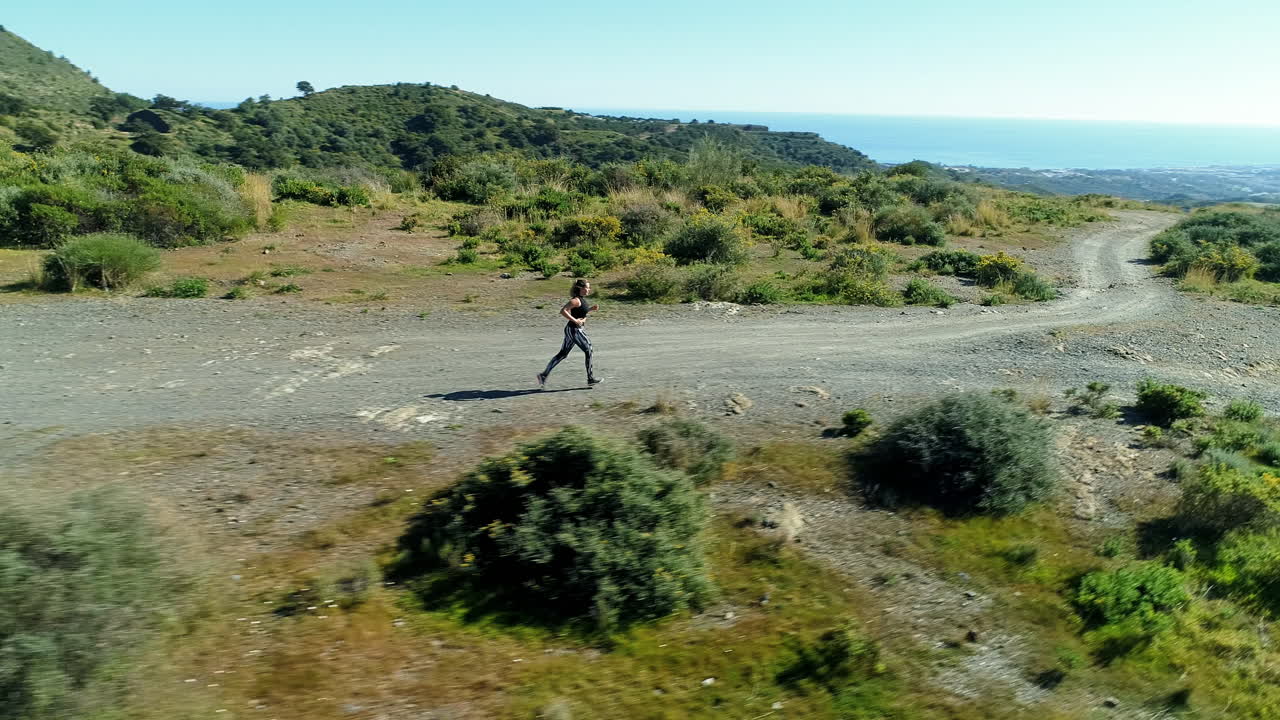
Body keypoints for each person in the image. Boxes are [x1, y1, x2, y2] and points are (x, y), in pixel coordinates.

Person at [537, 278, 601, 388]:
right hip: (574, 330)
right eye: (587, 287)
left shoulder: (582, 300)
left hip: (573, 330)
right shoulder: (575, 300)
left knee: (563, 354)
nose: (589, 289)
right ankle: (590, 379)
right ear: (581, 288)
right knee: (589, 349)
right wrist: (575, 321)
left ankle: (543, 375)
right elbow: (563, 311)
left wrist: (590, 309)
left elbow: (580, 313)